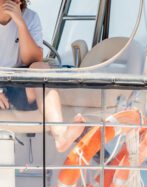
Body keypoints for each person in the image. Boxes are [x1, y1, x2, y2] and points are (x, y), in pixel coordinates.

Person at [0, 0, 85, 152]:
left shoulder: (30, 18)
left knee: (40, 67)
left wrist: (20, 23)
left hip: (19, 87)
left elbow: (32, 60)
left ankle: (60, 135)